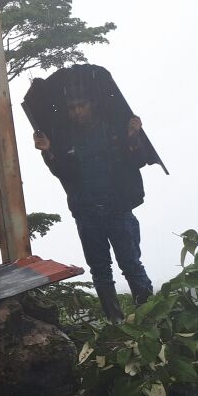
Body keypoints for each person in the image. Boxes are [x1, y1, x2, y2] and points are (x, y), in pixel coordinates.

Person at [33, 85, 153, 321]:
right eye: (72, 108)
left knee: (131, 265)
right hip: (87, 212)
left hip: (118, 208)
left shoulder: (114, 130)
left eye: (81, 106)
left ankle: (149, 318)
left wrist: (133, 136)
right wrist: (48, 152)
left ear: (92, 105)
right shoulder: (65, 137)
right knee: (100, 271)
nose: (77, 112)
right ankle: (115, 322)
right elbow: (64, 173)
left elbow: (138, 161)